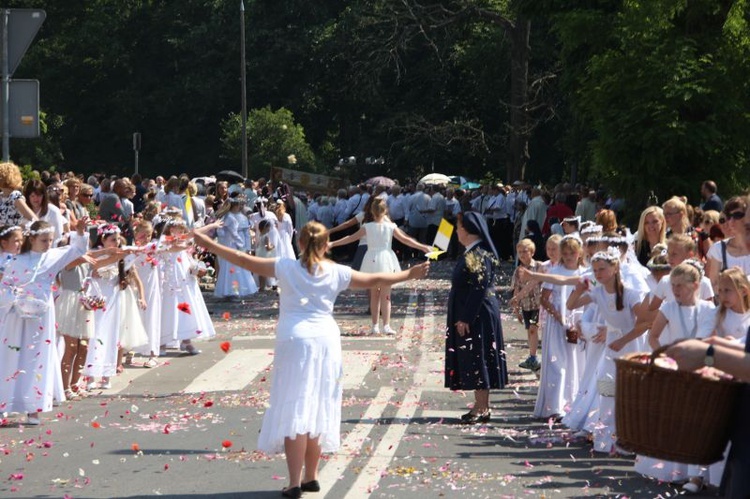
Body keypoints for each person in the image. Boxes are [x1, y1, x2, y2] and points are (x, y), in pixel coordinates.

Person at [192, 220, 429, 498]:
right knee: (317, 404)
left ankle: (294, 482)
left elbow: (243, 258)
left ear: (300, 243)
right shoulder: (337, 271)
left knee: (296, 406)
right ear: (326, 244)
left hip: (294, 339)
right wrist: (408, 274)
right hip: (325, 339)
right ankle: (311, 476)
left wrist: (206, 242)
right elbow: (376, 280)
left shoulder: (286, 266)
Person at [0, 217, 89, 425]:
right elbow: (4, 285)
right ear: (31, 239)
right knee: (11, 355)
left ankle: (33, 409)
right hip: (15, 315)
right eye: (44, 240)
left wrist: (80, 232)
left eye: (50, 240)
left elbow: (77, 250)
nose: (48, 244)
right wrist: (14, 298)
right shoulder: (14, 260)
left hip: (41, 315)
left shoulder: (53, 256)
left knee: (36, 356)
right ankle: (5, 403)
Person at [328, 198, 431, 334]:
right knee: (386, 295)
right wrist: (422, 247)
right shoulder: (391, 226)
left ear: (371, 211)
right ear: (385, 211)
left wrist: (332, 243)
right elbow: (406, 239)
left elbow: (350, 238)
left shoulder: (367, 226)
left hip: (371, 258)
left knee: (374, 294)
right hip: (386, 258)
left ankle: (375, 326)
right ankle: (386, 325)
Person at [445, 211, 508, 424]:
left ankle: (482, 408)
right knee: (476, 358)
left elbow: (479, 288)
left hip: (477, 315)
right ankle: (481, 406)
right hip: (475, 313)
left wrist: (465, 317)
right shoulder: (473, 251)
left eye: (458, 227)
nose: (455, 231)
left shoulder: (476, 254)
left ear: (467, 230)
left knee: (479, 358)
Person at [510, 239, 542, 372]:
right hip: (526, 305)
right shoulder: (518, 271)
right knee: (529, 331)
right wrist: (516, 308)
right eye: (519, 252)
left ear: (532, 252)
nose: (522, 255)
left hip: (538, 304)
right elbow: (516, 288)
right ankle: (532, 355)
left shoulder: (539, 266)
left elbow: (534, 283)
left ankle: (534, 357)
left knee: (534, 329)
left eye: (525, 251)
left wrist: (518, 296)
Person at [0, 161, 36, 226]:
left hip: (13, 235)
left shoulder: (15, 196)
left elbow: (34, 220)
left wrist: (24, 230)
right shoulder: (1, 196)